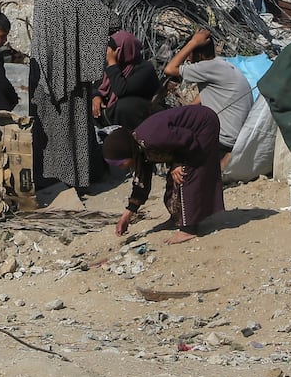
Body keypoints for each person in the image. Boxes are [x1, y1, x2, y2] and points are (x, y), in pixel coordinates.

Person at [29, 0, 115, 195]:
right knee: (72, 129)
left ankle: (47, 178)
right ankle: (75, 177)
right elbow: (109, 20)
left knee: (47, 131)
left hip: (42, 77)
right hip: (73, 80)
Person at [105, 104, 226, 244]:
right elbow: (141, 184)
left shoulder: (151, 137)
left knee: (186, 174)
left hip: (202, 125)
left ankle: (189, 229)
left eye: (121, 163)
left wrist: (178, 163)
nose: (121, 168)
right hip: (186, 140)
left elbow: (187, 138)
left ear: (125, 152)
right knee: (173, 181)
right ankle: (177, 219)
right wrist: (127, 215)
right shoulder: (138, 149)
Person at [163, 28, 253, 169]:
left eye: (190, 55)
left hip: (225, 139)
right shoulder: (220, 64)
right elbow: (206, 95)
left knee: (180, 139)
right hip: (239, 136)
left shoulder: (206, 67)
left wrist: (193, 42)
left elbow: (170, 69)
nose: (188, 59)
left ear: (198, 54)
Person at [94, 30, 162, 130]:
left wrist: (113, 64)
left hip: (137, 117)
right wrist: (95, 96)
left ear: (120, 51)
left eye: (110, 51)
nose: (107, 54)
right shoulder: (112, 66)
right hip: (110, 114)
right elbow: (95, 85)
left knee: (124, 105)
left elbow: (121, 90)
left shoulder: (144, 69)